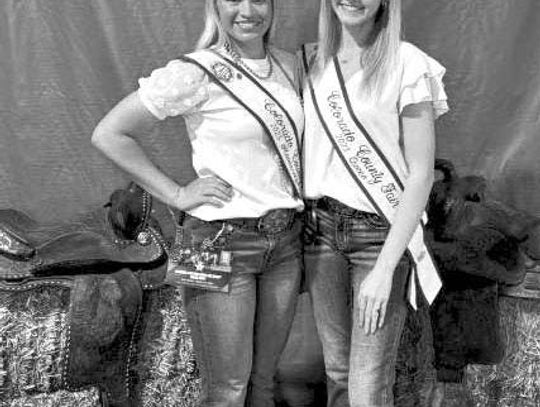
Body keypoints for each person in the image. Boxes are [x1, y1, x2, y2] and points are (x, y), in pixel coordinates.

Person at [91, 1, 304, 406]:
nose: (247, 10)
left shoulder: (290, 66)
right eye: (232, 0)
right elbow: (110, 133)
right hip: (215, 239)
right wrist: (176, 194)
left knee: (263, 383)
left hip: (284, 242)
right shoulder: (195, 70)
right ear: (214, 7)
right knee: (227, 389)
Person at [300, 0, 449, 406]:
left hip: (379, 235)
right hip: (320, 234)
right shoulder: (309, 61)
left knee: (367, 388)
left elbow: (420, 174)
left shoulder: (408, 63)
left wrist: (385, 269)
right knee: (337, 372)